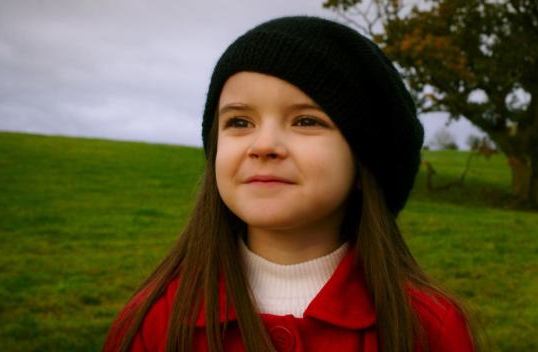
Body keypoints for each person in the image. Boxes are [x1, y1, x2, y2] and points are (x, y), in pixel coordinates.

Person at [103, 16, 477, 352]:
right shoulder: (154, 323)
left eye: (306, 121)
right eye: (239, 122)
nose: (263, 145)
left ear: (365, 162)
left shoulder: (428, 329)